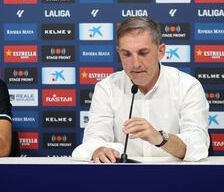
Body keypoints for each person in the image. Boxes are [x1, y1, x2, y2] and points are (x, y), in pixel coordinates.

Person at [72, 17, 209, 163]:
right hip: (123, 177)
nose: (135, 64)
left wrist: (160, 138)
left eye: (143, 53)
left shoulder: (187, 86)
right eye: (127, 54)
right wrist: (98, 149)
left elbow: (198, 144)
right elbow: (93, 139)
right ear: (118, 53)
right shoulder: (106, 88)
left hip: (176, 177)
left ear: (160, 51)